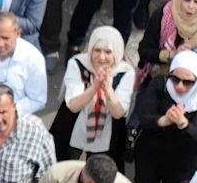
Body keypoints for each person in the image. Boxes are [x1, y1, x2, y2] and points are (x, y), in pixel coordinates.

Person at [132, 51, 197, 183]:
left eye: (187, 82)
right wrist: (163, 120)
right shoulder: (160, 84)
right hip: (150, 153)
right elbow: (143, 116)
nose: (179, 86)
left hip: (181, 161)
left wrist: (182, 123)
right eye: (175, 79)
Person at [50, 26, 136, 163]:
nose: (101, 57)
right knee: (63, 164)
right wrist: (95, 86)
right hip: (73, 127)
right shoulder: (78, 64)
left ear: (117, 52)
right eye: (97, 50)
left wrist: (107, 89)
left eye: (108, 52)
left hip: (107, 133)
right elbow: (73, 106)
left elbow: (118, 113)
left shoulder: (125, 72)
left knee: (98, 171)